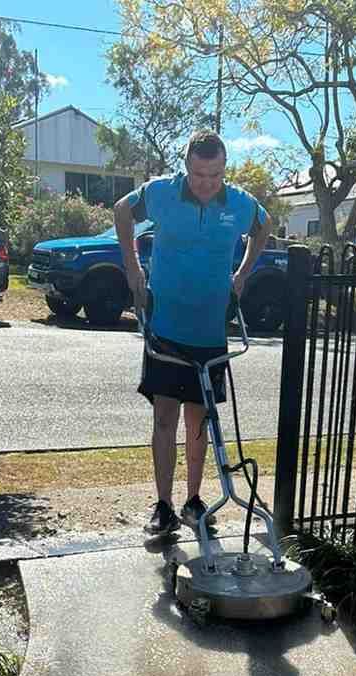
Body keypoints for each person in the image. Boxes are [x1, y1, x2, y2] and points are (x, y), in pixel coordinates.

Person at [113, 131, 271, 537]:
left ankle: (194, 501)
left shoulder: (239, 202)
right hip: (166, 327)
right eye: (199, 174)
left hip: (210, 330)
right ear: (186, 167)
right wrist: (133, 268)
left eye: (215, 175)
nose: (206, 183)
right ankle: (164, 506)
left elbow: (264, 226)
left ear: (224, 169)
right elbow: (122, 211)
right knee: (165, 417)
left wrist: (242, 274)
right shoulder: (161, 193)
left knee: (199, 423)